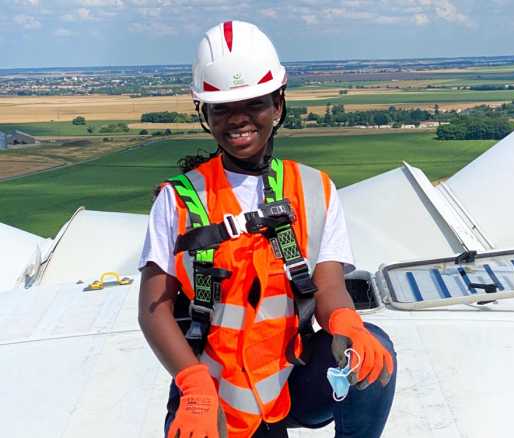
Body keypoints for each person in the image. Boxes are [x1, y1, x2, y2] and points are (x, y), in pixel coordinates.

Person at [137, 20, 397, 438]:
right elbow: (154, 307)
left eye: (253, 103)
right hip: (213, 385)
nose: (238, 119)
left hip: (290, 375)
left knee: (374, 349)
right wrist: (192, 383)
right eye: (221, 108)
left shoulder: (313, 189)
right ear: (204, 114)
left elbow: (328, 284)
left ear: (277, 105)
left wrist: (346, 322)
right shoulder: (179, 199)